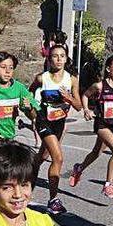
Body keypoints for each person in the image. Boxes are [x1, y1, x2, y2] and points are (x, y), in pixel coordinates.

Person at [70, 54, 113, 200]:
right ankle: (108, 185)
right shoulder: (99, 86)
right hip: (101, 124)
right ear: (108, 69)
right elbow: (86, 95)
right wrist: (86, 109)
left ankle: (79, 168)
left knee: (96, 153)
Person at [31, 45, 82, 215]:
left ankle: (27, 179)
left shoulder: (72, 79)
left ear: (66, 59)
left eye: (62, 56)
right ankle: (53, 200)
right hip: (44, 121)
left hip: (59, 122)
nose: (58, 59)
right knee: (58, 158)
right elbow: (29, 94)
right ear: (49, 59)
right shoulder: (42, 78)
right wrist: (32, 109)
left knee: (42, 157)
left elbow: (79, 105)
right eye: (55, 56)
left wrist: (68, 97)